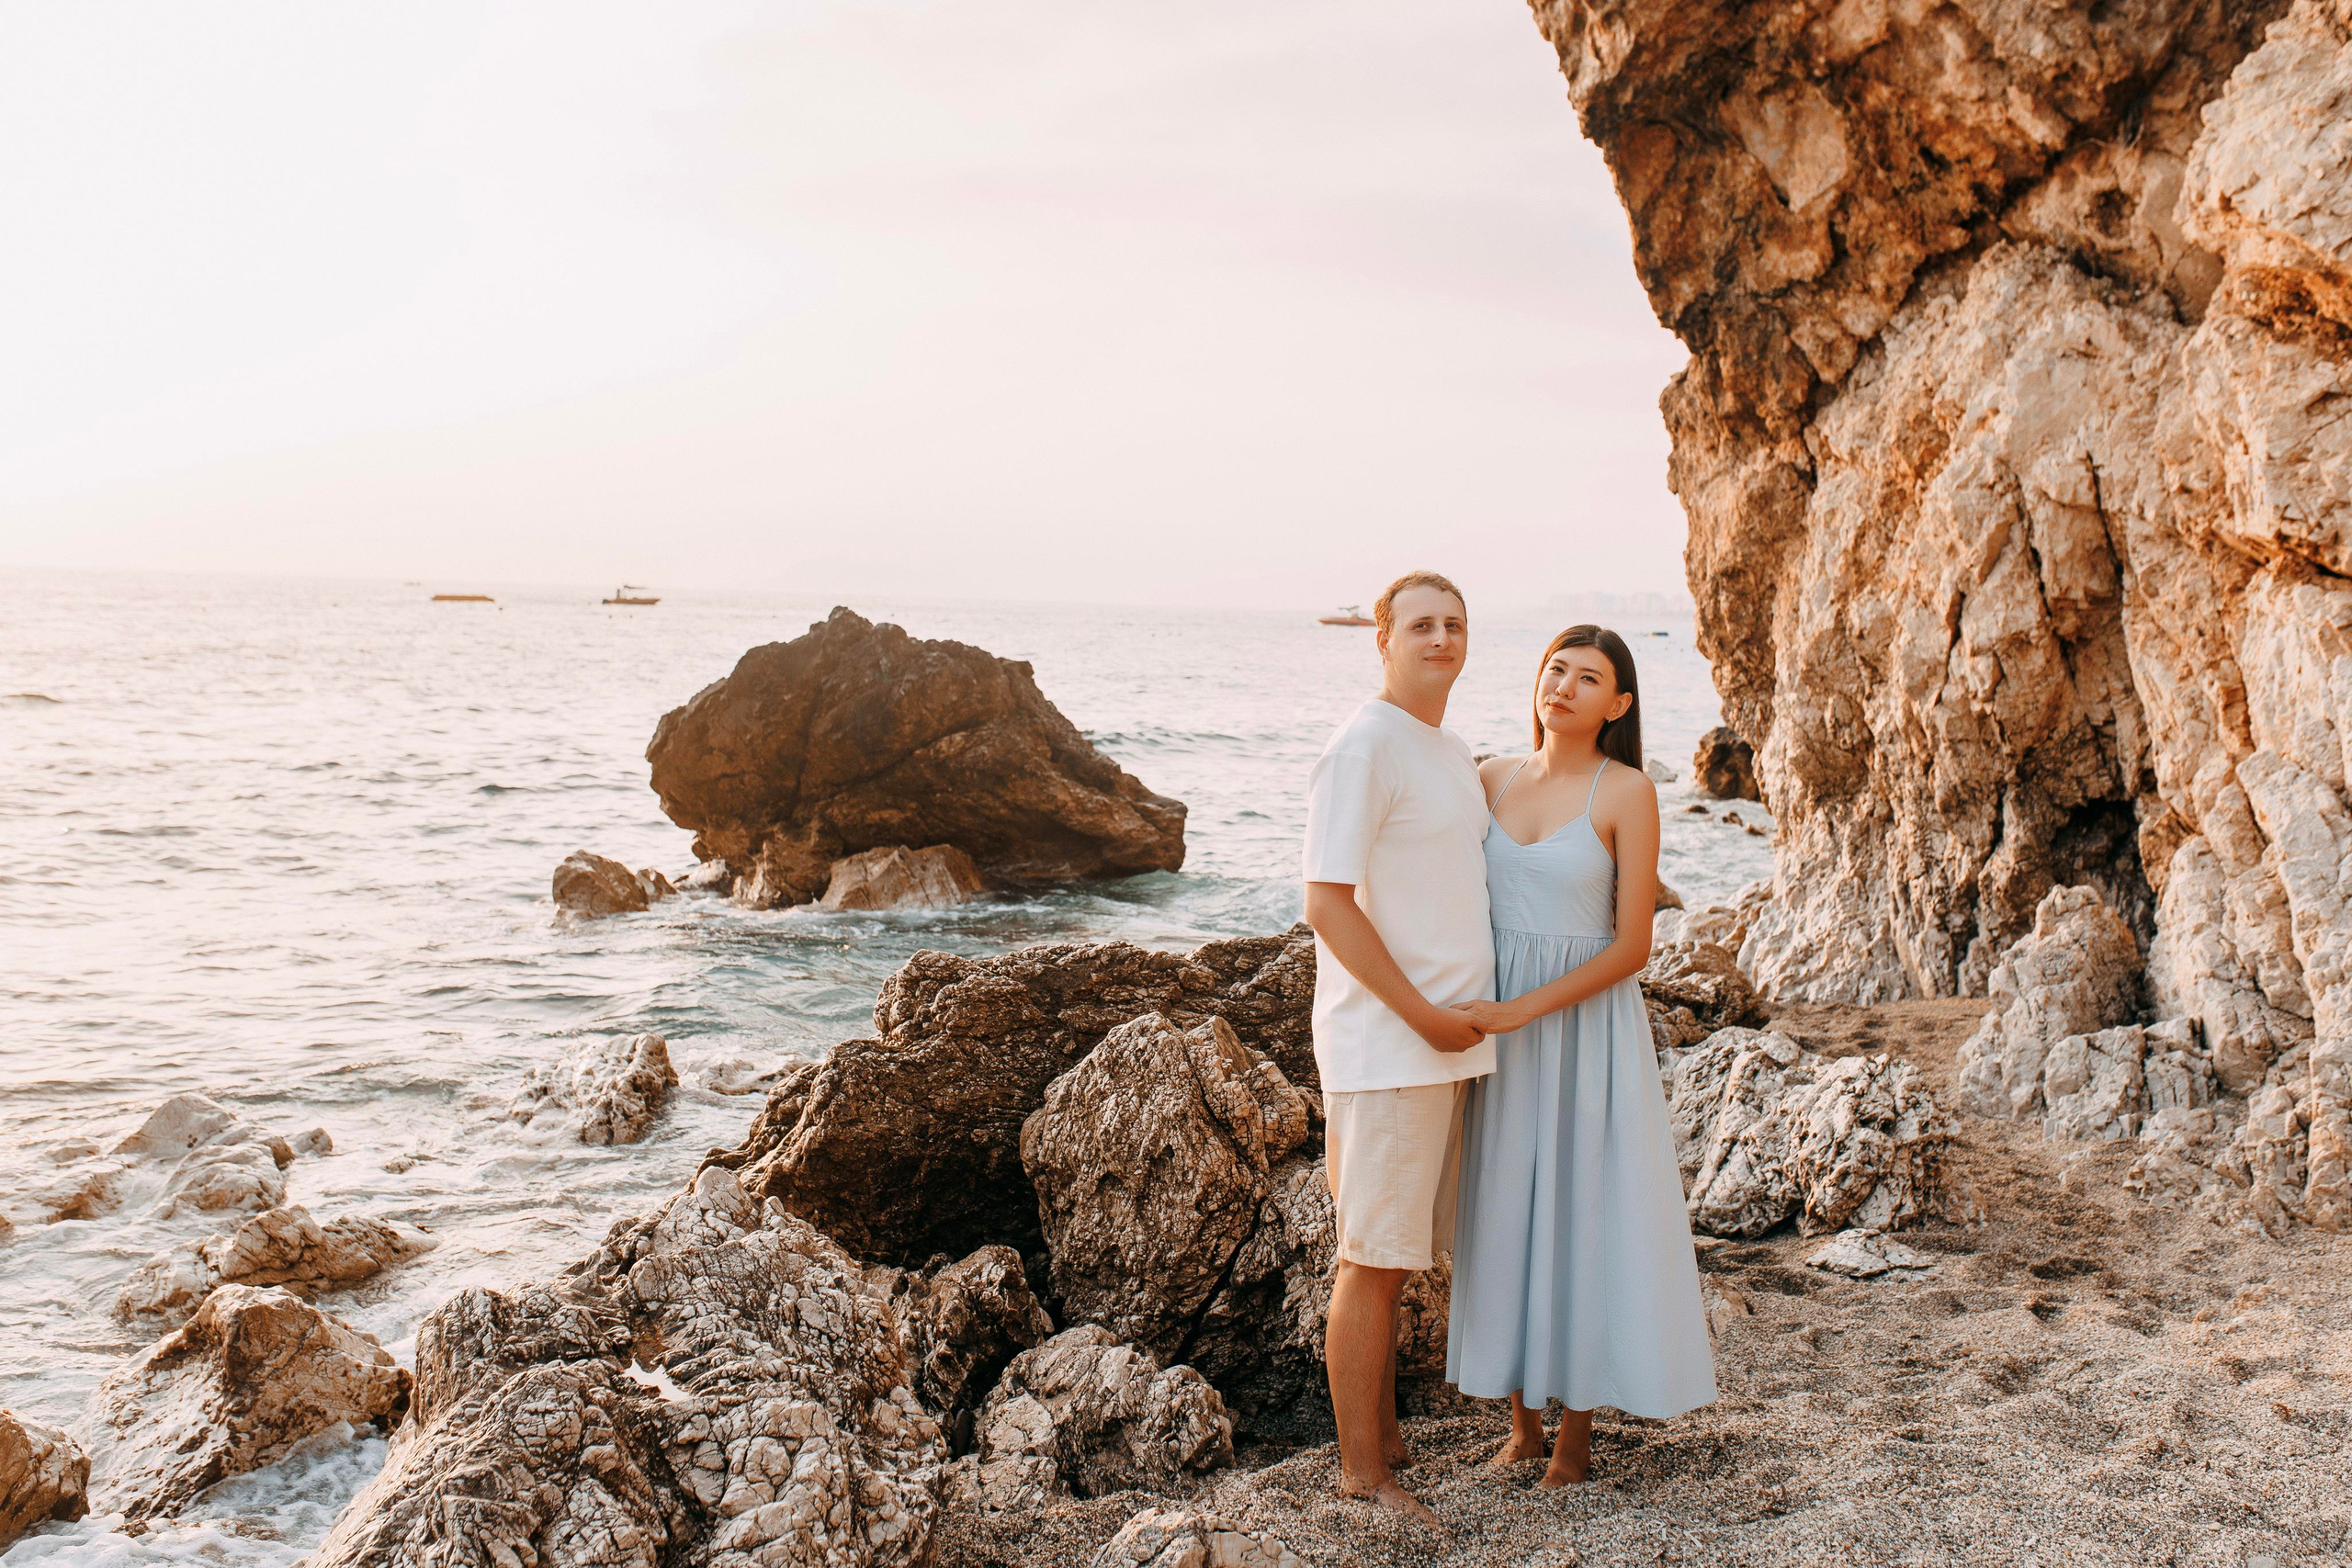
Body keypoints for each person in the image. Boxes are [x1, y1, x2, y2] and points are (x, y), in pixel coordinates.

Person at [1445, 625, 1717, 1487]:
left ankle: (1575, 1436)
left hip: (1581, 1029)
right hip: (1498, 1033)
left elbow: (1631, 945)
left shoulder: (1627, 791)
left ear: (1618, 704)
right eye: (1554, 668)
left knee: (1583, 1208)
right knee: (1505, 1206)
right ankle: (1522, 1422)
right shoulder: (1487, 776)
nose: (1562, 685)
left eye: (1587, 677)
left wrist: (1519, 1008)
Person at [1301, 570, 1495, 1530]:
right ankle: (1361, 1477)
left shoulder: (1448, 750)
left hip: (1445, 1045)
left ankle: (1387, 1442)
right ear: (1381, 636)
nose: (1441, 638)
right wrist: (1422, 1016)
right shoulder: (1363, 746)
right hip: (1389, 1046)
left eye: (1455, 624)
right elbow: (1325, 904)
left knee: (1400, 1254)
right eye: (1421, 623)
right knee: (1371, 1259)